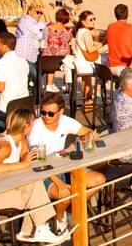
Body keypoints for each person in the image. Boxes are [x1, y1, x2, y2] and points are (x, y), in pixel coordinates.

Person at [0, 107, 67, 246]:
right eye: (32, 122)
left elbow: (28, 166)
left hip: (4, 187)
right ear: (26, 125)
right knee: (34, 195)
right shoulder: (5, 144)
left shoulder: (21, 141)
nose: (34, 124)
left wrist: (30, 161)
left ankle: (32, 230)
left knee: (34, 186)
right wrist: (23, 164)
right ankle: (38, 228)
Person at [29, 92, 106, 235]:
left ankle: (71, 207)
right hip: (42, 172)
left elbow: (92, 134)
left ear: (60, 112)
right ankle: (59, 218)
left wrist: (87, 137)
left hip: (63, 165)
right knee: (65, 193)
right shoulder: (36, 129)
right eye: (43, 112)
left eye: (50, 113)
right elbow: (39, 164)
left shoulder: (65, 121)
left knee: (99, 180)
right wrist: (59, 183)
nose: (46, 116)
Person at [106, 4, 132, 78]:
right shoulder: (131, 28)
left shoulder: (110, 26)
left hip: (110, 66)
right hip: (124, 66)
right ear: (127, 14)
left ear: (115, 14)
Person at [14, 4, 48, 89]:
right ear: (30, 11)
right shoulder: (26, 20)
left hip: (32, 56)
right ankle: (37, 100)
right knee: (37, 79)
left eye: (41, 13)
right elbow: (37, 31)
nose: (39, 15)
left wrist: (46, 14)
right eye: (38, 12)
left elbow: (43, 36)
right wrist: (44, 22)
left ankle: (35, 99)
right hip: (23, 56)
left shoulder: (35, 24)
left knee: (35, 80)